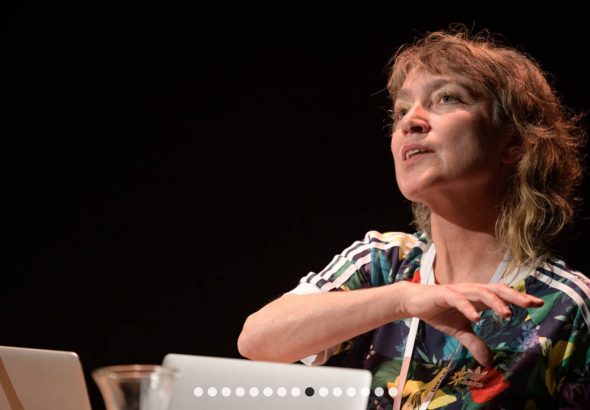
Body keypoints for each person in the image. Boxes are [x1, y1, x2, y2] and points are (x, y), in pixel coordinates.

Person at [237, 27, 590, 409]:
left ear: (514, 144)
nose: (410, 122)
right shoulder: (384, 261)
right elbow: (257, 340)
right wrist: (403, 299)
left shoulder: (566, 306)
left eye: (446, 98)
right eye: (402, 110)